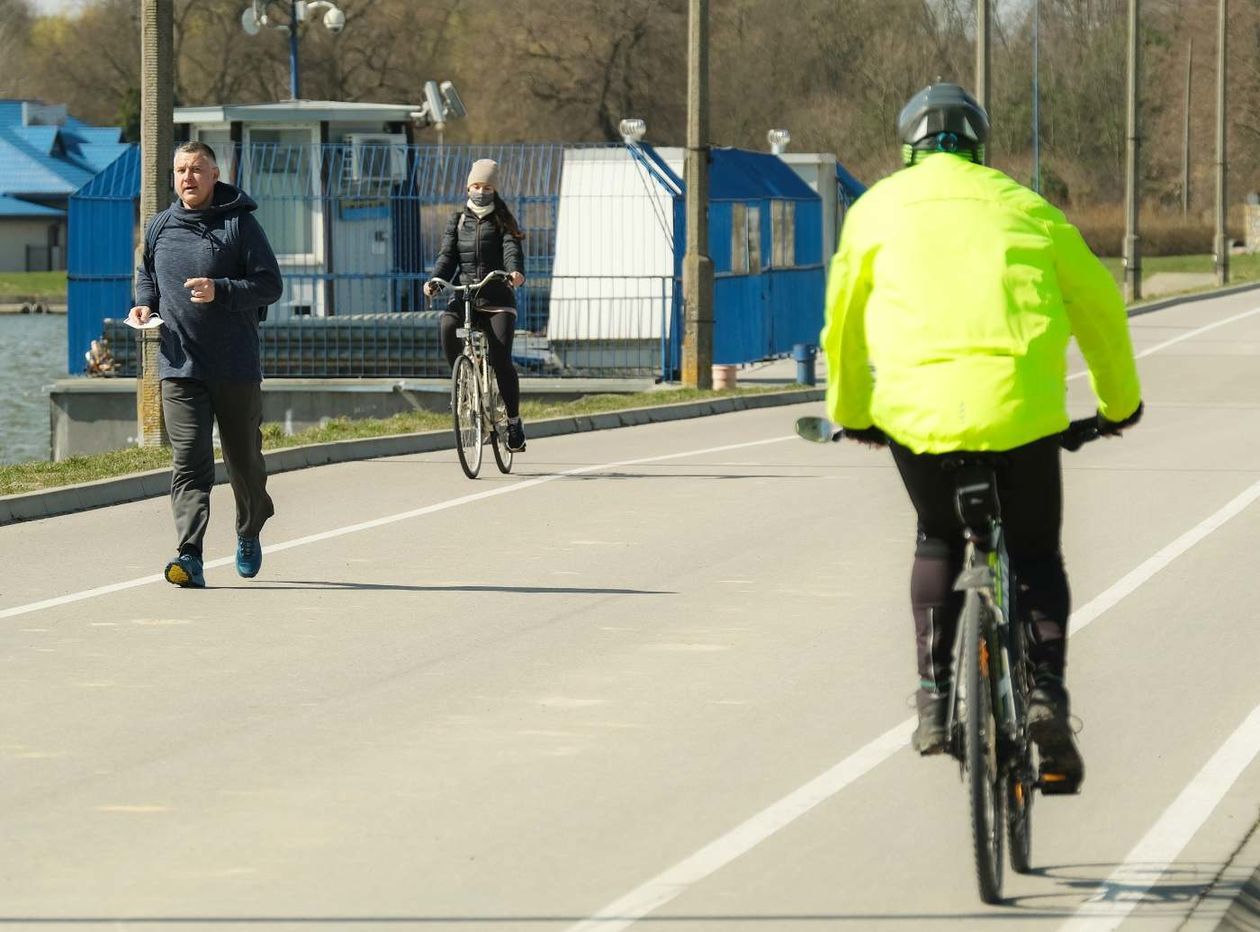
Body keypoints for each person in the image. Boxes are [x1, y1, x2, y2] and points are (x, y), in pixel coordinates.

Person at [820, 82, 1143, 791]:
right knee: (1033, 553)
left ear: (908, 146)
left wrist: (853, 412)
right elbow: (1099, 309)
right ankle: (1044, 693)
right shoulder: (1027, 207)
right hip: (1021, 412)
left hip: (917, 416)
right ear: (978, 146)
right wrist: (1119, 406)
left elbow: (842, 326)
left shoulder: (876, 210)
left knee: (937, 536)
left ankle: (935, 699)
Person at [130, 140, 283, 589]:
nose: (187, 178)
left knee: (244, 463)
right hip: (180, 366)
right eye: (180, 170)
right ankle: (189, 553)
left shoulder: (240, 225)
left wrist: (223, 290)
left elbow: (269, 285)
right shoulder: (159, 227)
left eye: (197, 169)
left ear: (215, 175)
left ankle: (250, 525)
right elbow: (147, 277)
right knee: (190, 463)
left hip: (235, 366)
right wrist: (143, 305)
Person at [423, 158, 528, 451]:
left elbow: (511, 249)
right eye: (477, 185)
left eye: (487, 186)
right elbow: (447, 257)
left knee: (501, 357)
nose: (481, 191)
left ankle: (513, 422)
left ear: (494, 189)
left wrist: (515, 272)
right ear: (468, 186)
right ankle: (462, 385)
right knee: (446, 324)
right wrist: (435, 280)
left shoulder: (504, 220)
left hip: (497, 297)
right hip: (466, 295)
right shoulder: (457, 220)